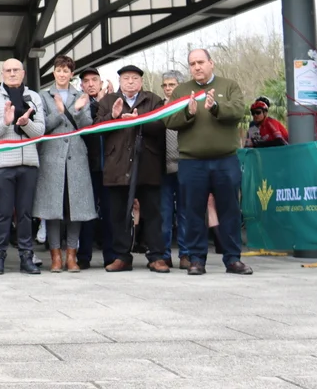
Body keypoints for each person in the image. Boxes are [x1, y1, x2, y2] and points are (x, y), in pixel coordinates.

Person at [164, 49, 252, 276]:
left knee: (230, 210)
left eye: (201, 62)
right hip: (191, 162)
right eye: (192, 63)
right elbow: (169, 120)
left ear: (211, 63)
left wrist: (216, 107)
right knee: (193, 212)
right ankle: (196, 260)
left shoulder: (229, 86)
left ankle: (233, 259)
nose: (197, 67)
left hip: (225, 160)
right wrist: (188, 113)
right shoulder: (181, 91)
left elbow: (238, 111)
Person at [96, 65, 168, 273]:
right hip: (117, 165)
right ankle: (122, 257)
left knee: (153, 213)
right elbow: (97, 128)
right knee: (118, 214)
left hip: (147, 164)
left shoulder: (153, 100)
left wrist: (140, 121)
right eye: (126, 78)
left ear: (141, 82)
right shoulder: (108, 101)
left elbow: (162, 124)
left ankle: (156, 256)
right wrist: (113, 117)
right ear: (120, 81)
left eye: (135, 78)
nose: (130, 82)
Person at [0, 58, 46, 275]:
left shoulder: (34, 97)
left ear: (23, 73)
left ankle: (26, 257)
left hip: (29, 164)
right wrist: (5, 123)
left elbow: (40, 132)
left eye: (16, 70)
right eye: (8, 70)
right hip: (3, 164)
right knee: (3, 213)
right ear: (2, 74)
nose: (12, 73)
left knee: (25, 214)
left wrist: (26, 124)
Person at [34, 55, 96, 273]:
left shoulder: (81, 95)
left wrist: (77, 110)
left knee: (75, 207)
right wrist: (60, 112)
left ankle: (71, 255)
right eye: (59, 70)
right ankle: (55, 257)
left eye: (66, 71)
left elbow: (87, 125)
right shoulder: (43, 96)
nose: (62, 74)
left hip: (76, 157)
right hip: (51, 157)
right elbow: (42, 127)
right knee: (53, 208)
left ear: (72, 74)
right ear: (54, 72)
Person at [75, 67, 115, 269]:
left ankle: (111, 256)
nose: (90, 84)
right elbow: (86, 127)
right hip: (87, 166)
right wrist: (97, 104)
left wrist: (104, 102)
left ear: (101, 82)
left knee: (110, 213)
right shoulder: (80, 104)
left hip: (110, 167)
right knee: (87, 214)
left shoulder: (113, 102)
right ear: (81, 85)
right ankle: (84, 256)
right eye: (86, 81)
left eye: (94, 80)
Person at [160, 70, 188, 269]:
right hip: (162, 168)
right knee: (164, 214)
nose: (168, 88)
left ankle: (186, 254)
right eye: (165, 85)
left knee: (185, 213)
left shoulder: (188, 106)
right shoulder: (158, 108)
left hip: (185, 165)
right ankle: (164, 254)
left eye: (172, 84)